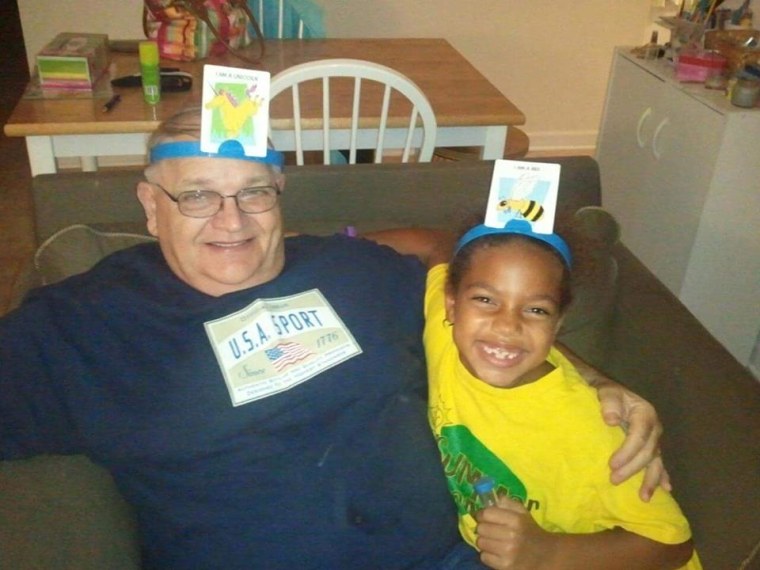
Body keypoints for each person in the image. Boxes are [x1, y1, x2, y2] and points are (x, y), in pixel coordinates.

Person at [1, 106, 664, 569]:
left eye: (253, 193)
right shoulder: (87, 323)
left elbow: (470, 280)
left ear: (281, 193)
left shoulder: (354, 270)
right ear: (150, 206)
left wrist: (590, 376)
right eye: (198, 196)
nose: (231, 222)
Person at [367, 220, 700, 569]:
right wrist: (329, 241)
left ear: (557, 325)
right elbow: (435, 240)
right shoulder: (444, 334)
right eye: (485, 299)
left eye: (535, 310)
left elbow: (672, 544)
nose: (507, 325)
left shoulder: (588, 429)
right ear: (451, 305)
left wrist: (548, 552)